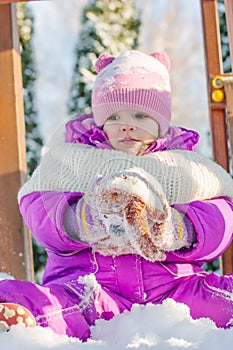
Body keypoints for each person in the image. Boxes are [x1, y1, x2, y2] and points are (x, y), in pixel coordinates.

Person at [0, 50, 233, 340]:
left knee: (220, 297)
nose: (127, 124)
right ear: (99, 120)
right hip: (92, 287)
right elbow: (40, 212)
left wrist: (175, 229)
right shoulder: (73, 160)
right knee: (58, 306)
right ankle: (16, 311)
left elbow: (220, 219)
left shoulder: (184, 167)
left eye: (140, 115)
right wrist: (87, 219)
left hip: (174, 289)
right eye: (114, 116)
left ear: (161, 121)